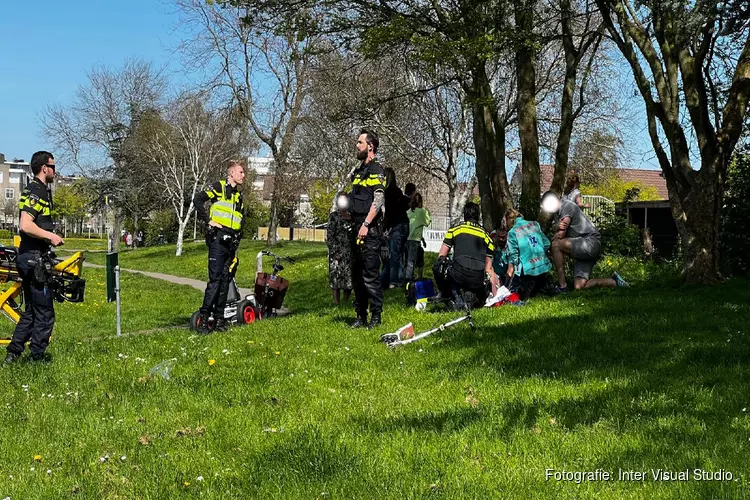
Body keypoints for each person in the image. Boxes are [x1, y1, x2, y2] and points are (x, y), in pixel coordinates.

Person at [4, 151, 65, 364]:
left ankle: (13, 354)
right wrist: (51, 236)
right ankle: (36, 358)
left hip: (34, 257)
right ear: (44, 168)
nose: (55, 171)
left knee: (32, 311)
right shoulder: (35, 192)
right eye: (53, 167)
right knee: (45, 313)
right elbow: (25, 225)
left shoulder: (43, 192)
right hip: (33, 259)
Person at [192, 160, 246, 333]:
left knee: (225, 281)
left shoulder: (239, 197)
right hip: (217, 241)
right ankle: (204, 318)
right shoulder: (218, 187)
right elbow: (197, 199)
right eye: (241, 172)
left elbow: (240, 219)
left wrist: (238, 237)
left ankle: (219, 320)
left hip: (231, 243)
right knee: (215, 281)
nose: (243, 175)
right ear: (231, 173)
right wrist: (208, 221)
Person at [541, 191, 628, 293]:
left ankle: (562, 286)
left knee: (555, 245)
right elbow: (559, 228)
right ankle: (615, 281)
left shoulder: (567, 206)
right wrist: (556, 226)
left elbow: (560, 235)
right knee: (579, 287)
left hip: (590, 243)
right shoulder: (558, 212)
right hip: (581, 246)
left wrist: (549, 241)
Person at [348, 129, 386, 329]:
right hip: (355, 229)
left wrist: (365, 224)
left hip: (369, 231)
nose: (357, 145)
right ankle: (360, 316)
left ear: (370, 146)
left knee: (370, 276)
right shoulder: (357, 171)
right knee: (356, 276)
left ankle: (376, 317)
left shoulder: (377, 170)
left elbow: (378, 200)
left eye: (360, 142)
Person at [433, 202, 499, 309]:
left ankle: (445, 294)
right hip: (477, 279)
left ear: (465, 215)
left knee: (439, 265)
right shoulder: (487, 236)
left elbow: (441, 256)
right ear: (478, 216)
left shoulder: (454, 230)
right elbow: (488, 267)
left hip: (458, 274)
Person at [502, 208, 552, 299]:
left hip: (527, 271)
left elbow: (514, 257)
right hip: (543, 266)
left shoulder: (512, 232)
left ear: (507, 221)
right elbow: (547, 243)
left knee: (518, 293)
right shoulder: (535, 224)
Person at [382, 167, 410, 288]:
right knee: (398, 254)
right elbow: (406, 204)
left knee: (393, 255)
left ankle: (394, 281)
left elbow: (388, 213)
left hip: (396, 225)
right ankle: (397, 278)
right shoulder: (397, 191)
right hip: (404, 224)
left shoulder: (387, 193)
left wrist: (384, 227)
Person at [326, 192, 354, 305]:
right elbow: (330, 236)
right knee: (336, 278)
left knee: (349, 279)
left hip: (350, 252)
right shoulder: (334, 216)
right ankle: (336, 302)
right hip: (337, 252)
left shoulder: (352, 216)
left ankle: (345, 302)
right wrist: (334, 251)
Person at [405, 192, 430, 281]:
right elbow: (427, 222)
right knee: (411, 260)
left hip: (407, 238)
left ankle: (409, 276)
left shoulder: (408, 212)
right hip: (415, 239)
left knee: (408, 259)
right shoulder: (422, 211)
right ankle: (408, 278)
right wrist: (426, 212)